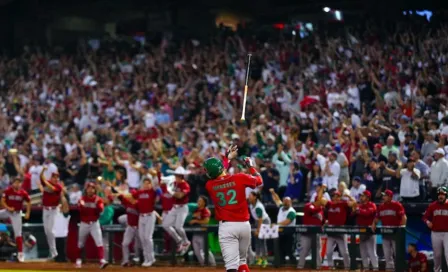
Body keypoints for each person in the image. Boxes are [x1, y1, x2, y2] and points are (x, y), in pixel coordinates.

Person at [204, 145, 262, 272]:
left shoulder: (210, 185)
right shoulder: (239, 177)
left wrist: (226, 159)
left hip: (227, 227)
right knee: (242, 262)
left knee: (231, 266)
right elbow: (259, 180)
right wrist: (251, 166)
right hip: (244, 226)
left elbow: (219, 174)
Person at [75, 182, 108, 269]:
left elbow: (100, 210)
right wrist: (85, 206)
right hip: (84, 223)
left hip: (94, 223)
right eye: (89, 188)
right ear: (86, 189)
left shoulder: (98, 199)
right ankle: (78, 260)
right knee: (80, 243)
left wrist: (96, 205)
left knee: (99, 242)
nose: (90, 190)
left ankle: (101, 260)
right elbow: (81, 210)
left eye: (92, 188)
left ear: (95, 190)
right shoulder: (82, 198)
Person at [320, 189, 356, 269]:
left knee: (344, 253)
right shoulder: (329, 204)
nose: (336, 198)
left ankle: (347, 268)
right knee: (328, 252)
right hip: (331, 231)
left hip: (341, 230)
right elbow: (321, 200)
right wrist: (321, 190)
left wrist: (349, 196)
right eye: (334, 196)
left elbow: (354, 203)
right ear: (332, 198)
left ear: (340, 198)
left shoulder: (343, 204)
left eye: (337, 196)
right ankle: (331, 267)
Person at [372, 189, 407, 271]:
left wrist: (401, 228)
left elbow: (404, 217)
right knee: (387, 256)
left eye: (385, 195)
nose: (383, 197)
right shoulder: (381, 207)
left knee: (398, 255)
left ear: (390, 197)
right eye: (383, 195)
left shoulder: (397, 205)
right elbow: (377, 218)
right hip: (386, 234)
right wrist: (374, 224)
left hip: (396, 234)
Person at [129, 177, 158, 267]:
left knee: (147, 237)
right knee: (142, 238)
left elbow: (157, 184)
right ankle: (147, 258)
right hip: (141, 216)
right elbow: (131, 195)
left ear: (150, 184)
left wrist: (156, 174)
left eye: (148, 183)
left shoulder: (152, 192)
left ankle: (151, 258)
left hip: (150, 215)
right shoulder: (140, 192)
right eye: (145, 183)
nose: (146, 185)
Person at [162, 166, 191, 255]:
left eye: (177, 176)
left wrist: (171, 192)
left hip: (182, 208)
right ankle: (179, 241)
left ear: (181, 176)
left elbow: (180, 196)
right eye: (175, 175)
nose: (175, 177)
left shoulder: (185, 185)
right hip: (174, 208)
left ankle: (186, 241)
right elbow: (163, 181)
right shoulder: (174, 183)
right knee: (165, 225)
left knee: (178, 227)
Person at [0, 177, 31, 262]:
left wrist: (28, 212)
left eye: (19, 182)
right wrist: (8, 208)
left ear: (21, 184)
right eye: (15, 182)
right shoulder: (8, 190)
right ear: (12, 183)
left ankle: (20, 254)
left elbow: (29, 202)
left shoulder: (23, 193)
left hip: (16, 214)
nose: (17, 184)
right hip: (7, 211)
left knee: (18, 234)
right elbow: (2, 201)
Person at [297, 185, 325, 269]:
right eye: (320, 201)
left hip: (316, 234)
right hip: (307, 233)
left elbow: (322, 221)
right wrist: (320, 207)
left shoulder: (321, 209)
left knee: (317, 251)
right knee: (304, 251)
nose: (322, 202)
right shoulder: (309, 205)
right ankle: (300, 267)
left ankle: (318, 268)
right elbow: (313, 210)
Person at [422, 186, 448, 272]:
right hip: (435, 233)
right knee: (437, 255)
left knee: (447, 254)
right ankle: (437, 270)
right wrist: (428, 222)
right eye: (439, 194)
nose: (441, 196)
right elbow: (425, 217)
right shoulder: (432, 206)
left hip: (447, 233)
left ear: (446, 195)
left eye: (443, 194)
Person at [39, 167, 63, 260]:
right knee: (47, 231)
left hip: (54, 210)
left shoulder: (58, 187)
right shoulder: (46, 182)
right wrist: (43, 171)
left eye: (57, 177)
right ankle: (52, 251)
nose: (55, 179)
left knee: (51, 231)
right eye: (54, 177)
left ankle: (54, 252)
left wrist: (44, 181)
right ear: (51, 177)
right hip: (45, 209)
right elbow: (41, 177)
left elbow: (50, 187)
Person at [270, 188, 296, 264]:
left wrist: (276, 224)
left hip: (289, 233)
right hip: (280, 232)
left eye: (287, 202)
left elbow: (287, 222)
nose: (285, 203)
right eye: (284, 201)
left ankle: (294, 265)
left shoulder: (292, 211)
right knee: (280, 250)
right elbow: (277, 200)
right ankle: (281, 264)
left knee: (289, 250)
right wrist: (273, 192)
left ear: (290, 202)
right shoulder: (282, 207)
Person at [354, 190, 378, 270]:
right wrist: (354, 209)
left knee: (372, 252)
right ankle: (366, 268)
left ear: (367, 197)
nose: (361, 197)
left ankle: (375, 269)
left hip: (369, 231)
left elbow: (367, 214)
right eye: (361, 196)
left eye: (363, 196)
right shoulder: (360, 205)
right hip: (361, 230)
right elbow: (352, 214)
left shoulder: (372, 205)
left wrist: (358, 210)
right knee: (363, 253)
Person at [190, 195, 216, 266]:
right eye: (198, 200)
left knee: (205, 250)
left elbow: (206, 221)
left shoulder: (206, 210)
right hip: (195, 232)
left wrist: (195, 221)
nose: (198, 202)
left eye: (200, 201)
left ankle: (213, 264)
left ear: (204, 203)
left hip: (203, 233)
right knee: (197, 252)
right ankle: (203, 265)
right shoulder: (195, 210)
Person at [117, 190, 140, 267]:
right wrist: (121, 193)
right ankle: (126, 261)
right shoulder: (128, 202)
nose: (129, 197)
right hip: (130, 226)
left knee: (138, 246)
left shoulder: (139, 204)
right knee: (125, 243)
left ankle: (138, 259)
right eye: (130, 196)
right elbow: (120, 197)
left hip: (139, 228)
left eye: (131, 196)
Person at [248, 191, 270, 267]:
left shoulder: (258, 207)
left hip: (264, 222)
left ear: (255, 197)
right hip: (258, 222)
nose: (249, 197)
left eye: (250, 196)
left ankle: (264, 260)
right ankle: (258, 259)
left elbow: (260, 219)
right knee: (257, 240)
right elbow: (256, 218)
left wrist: (258, 230)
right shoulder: (251, 205)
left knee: (262, 241)